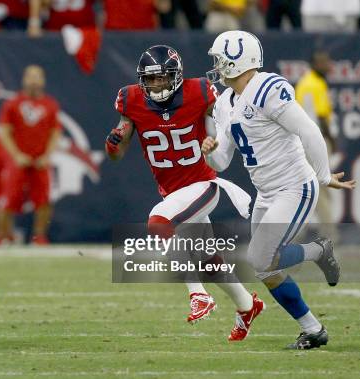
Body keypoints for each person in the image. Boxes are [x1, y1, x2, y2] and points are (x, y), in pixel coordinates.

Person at [203, 30, 355, 349]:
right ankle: (313, 330)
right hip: (267, 192)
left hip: (294, 185)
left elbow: (309, 131)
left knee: (259, 258)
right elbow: (221, 161)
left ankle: (318, 250)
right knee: (266, 270)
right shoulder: (224, 103)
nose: (216, 66)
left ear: (236, 60)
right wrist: (209, 149)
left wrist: (323, 176)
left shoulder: (266, 89)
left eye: (220, 59)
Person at [106, 45, 264, 341]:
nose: (156, 85)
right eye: (150, 79)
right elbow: (118, 147)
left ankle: (198, 294)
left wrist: (212, 141)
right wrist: (113, 143)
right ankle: (247, 305)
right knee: (208, 260)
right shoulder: (131, 100)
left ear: (176, 76)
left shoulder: (199, 92)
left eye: (162, 78)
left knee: (158, 222)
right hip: (174, 192)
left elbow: (214, 127)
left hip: (203, 185)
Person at [0, 65, 61, 245]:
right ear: (24, 79)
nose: (34, 80)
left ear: (43, 80)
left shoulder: (50, 104)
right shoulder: (12, 104)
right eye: (30, 76)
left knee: (44, 200)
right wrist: (16, 155)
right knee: (8, 197)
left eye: (37, 76)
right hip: (17, 160)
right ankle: (1, 236)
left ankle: (39, 237)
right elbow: (4, 131)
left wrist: (47, 155)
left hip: (40, 160)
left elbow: (55, 132)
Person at [295, 49, 338, 242]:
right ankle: (329, 233)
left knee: (318, 186)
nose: (327, 65)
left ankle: (324, 232)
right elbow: (321, 117)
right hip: (315, 140)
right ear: (314, 64)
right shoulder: (314, 83)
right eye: (323, 62)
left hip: (308, 140)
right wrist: (331, 140)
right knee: (319, 186)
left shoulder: (307, 82)